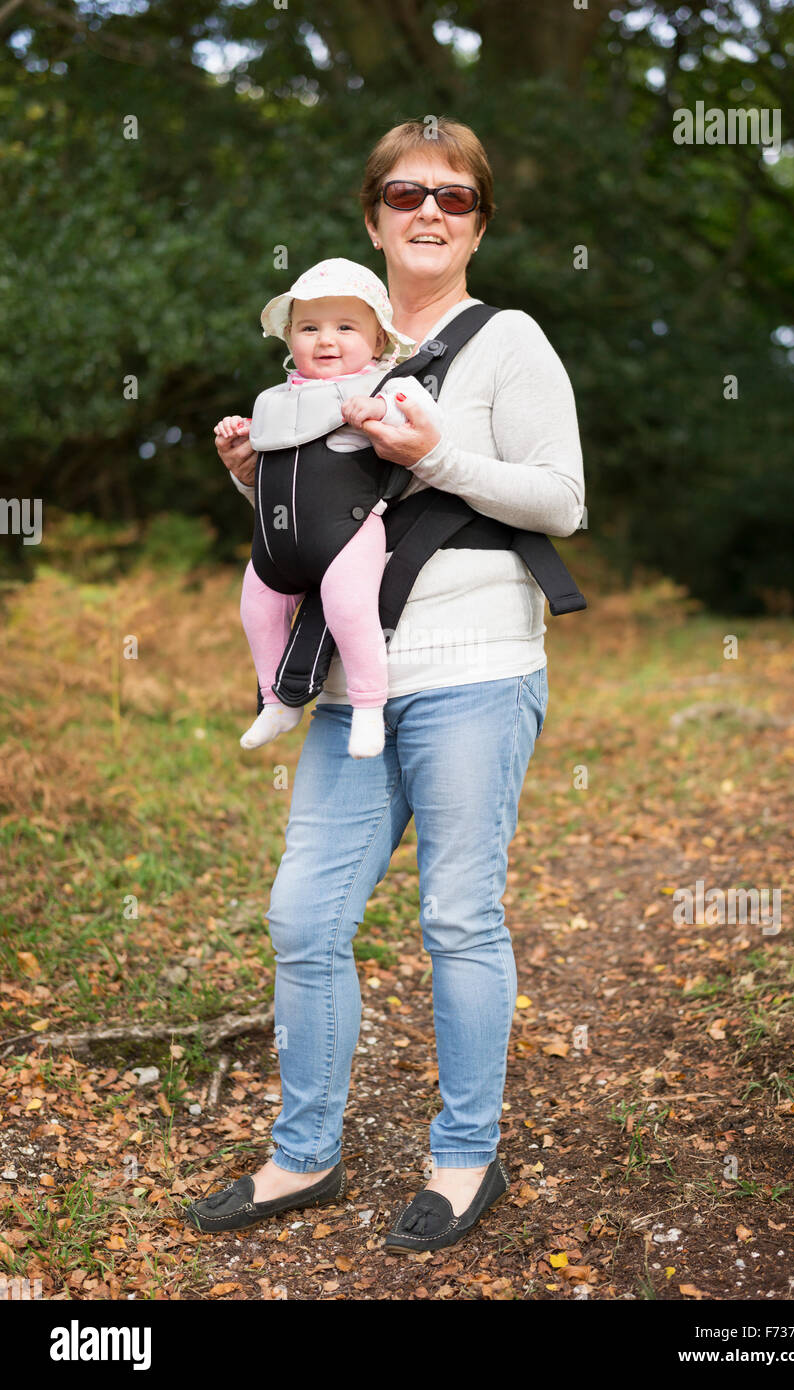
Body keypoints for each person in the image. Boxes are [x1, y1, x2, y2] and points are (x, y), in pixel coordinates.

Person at [187, 117, 585, 1254]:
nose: (427, 211)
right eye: (405, 193)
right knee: (301, 917)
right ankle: (302, 1153)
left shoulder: (506, 340)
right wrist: (250, 483)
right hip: (353, 688)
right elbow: (310, 540)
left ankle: (465, 1156)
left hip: (475, 669)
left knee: (457, 917)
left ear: (477, 222)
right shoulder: (323, 347)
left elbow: (560, 502)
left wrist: (431, 456)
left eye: (452, 197)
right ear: (371, 218)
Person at [214, 258, 441, 759]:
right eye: (309, 328)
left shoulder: (385, 385)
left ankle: (366, 707)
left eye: (344, 327)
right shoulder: (278, 398)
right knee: (256, 606)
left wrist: (380, 411)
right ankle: (276, 700)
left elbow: (425, 418)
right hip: (278, 544)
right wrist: (241, 443)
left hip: (347, 535)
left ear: (378, 342)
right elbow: (270, 474)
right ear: (289, 337)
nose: (325, 340)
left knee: (349, 609)